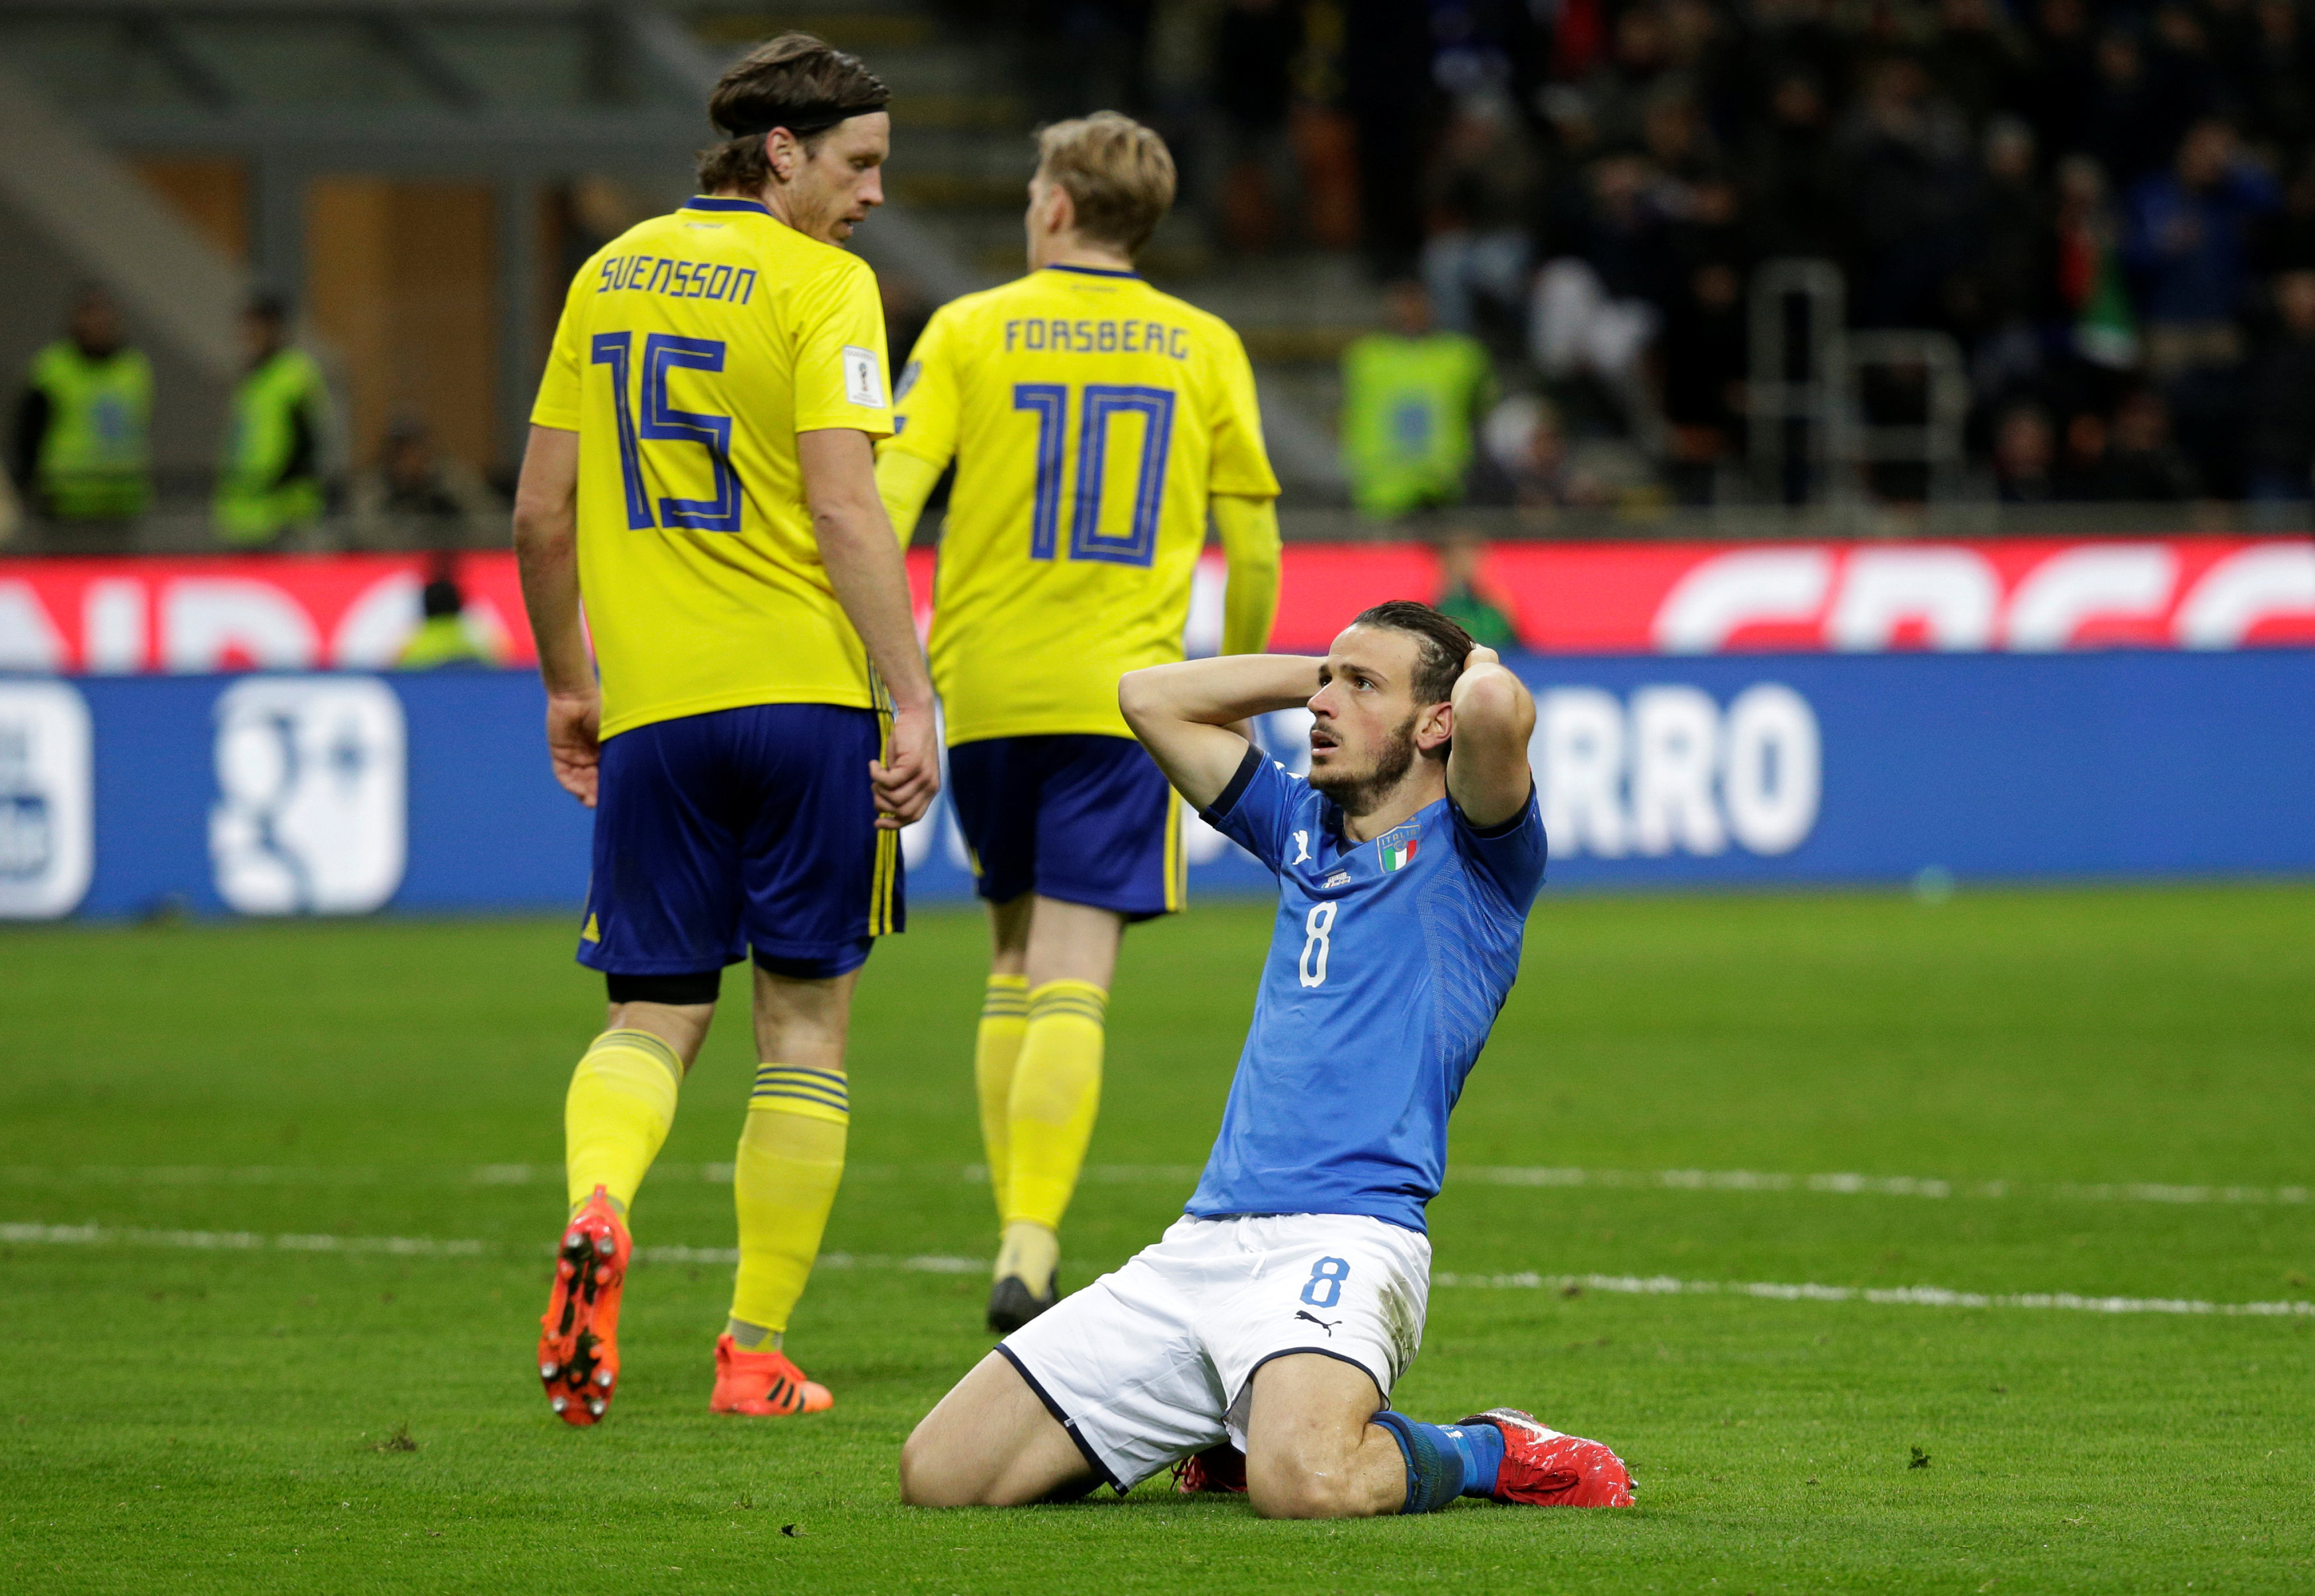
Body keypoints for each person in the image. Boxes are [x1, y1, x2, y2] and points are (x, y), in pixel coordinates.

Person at [899, 601, 1637, 1517]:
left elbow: (1495, 709)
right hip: (1203, 1243)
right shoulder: (1299, 827)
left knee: (1309, 1484)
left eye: (1361, 687)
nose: (1322, 706)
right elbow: (1148, 697)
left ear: (1434, 722)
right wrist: (1329, 670)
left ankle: (1484, 1448)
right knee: (941, 1474)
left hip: (1351, 1235)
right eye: (1326, 685)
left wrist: (1468, 658)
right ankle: (1229, 1419)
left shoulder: (1479, 851)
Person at [511, 32, 938, 1429]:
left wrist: (572, 681)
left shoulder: (605, 273)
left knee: (654, 1009)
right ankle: (752, 1352)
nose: (875, 194)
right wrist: (913, 691)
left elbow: (539, 513)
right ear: (782, 153)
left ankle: (597, 1202)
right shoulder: (824, 285)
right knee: (804, 1028)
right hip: (806, 701)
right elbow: (842, 505)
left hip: (656, 716)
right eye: (860, 164)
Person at [874, 112, 1283, 1333]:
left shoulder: (966, 330)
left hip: (988, 687)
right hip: (1129, 698)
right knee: (1075, 974)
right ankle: (1030, 1239)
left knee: (1010, 957)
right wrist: (1235, 690)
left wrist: (881, 671)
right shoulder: (1202, 343)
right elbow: (1254, 537)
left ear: (1055, 205)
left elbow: (886, 503)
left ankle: (1017, 1229)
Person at [1339, 279, 1492, 519]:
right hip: (1380, 493)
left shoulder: (1462, 357)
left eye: (1416, 303)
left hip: (1445, 489)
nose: (1409, 311)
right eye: (1403, 303)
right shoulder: (1365, 357)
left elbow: (1483, 410)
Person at [11, 286, 153, 530]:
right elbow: (28, 434)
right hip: (66, 500)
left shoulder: (134, 369)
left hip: (122, 501)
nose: (99, 324)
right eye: (91, 315)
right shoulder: (52, 369)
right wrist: (26, 485)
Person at [214, 290, 333, 548]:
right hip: (243, 518)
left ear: (276, 327)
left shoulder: (295, 374)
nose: (249, 334)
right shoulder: (249, 379)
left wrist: (275, 486)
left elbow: (309, 444)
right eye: (247, 325)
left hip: (282, 516)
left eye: (257, 325)